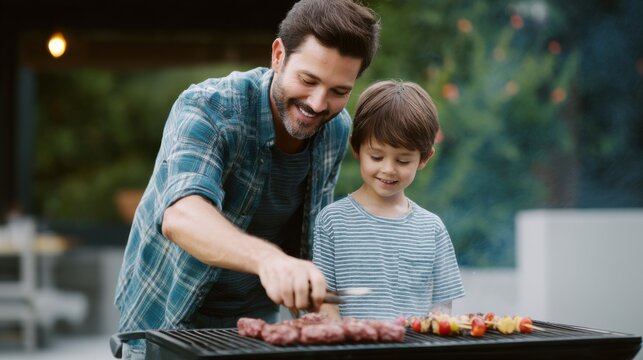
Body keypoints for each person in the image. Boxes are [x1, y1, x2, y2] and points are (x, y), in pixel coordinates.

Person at [113, 0, 379, 357]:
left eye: (338, 91)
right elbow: (182, 215)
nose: (318, 104)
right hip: (166, 324)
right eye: (308, 80)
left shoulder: (335, 128)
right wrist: (269, 261)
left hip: (253, 331)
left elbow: (305, 242)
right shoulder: (208, 107)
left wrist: (328, 316)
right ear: (278, 55)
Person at [312, 80, 465, 321]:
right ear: (356, 148)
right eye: (376, 156)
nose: (388, 169)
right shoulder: (332, 221)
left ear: (424, 158)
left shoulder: (432, 228)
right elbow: (324, 301)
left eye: (403, 161)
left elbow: (442, 304)